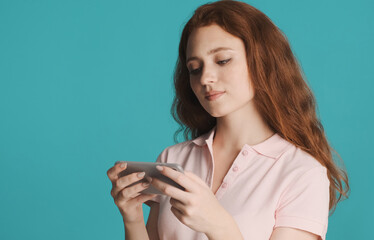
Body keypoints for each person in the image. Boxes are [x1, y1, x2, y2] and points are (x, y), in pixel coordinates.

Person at [106, 0, 350, 239]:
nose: (205, 78)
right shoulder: (173, 159)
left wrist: (220, 227)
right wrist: (132, 217)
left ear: (262, 62)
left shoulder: (302, 173)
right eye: (195, 68)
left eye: (222, 60)